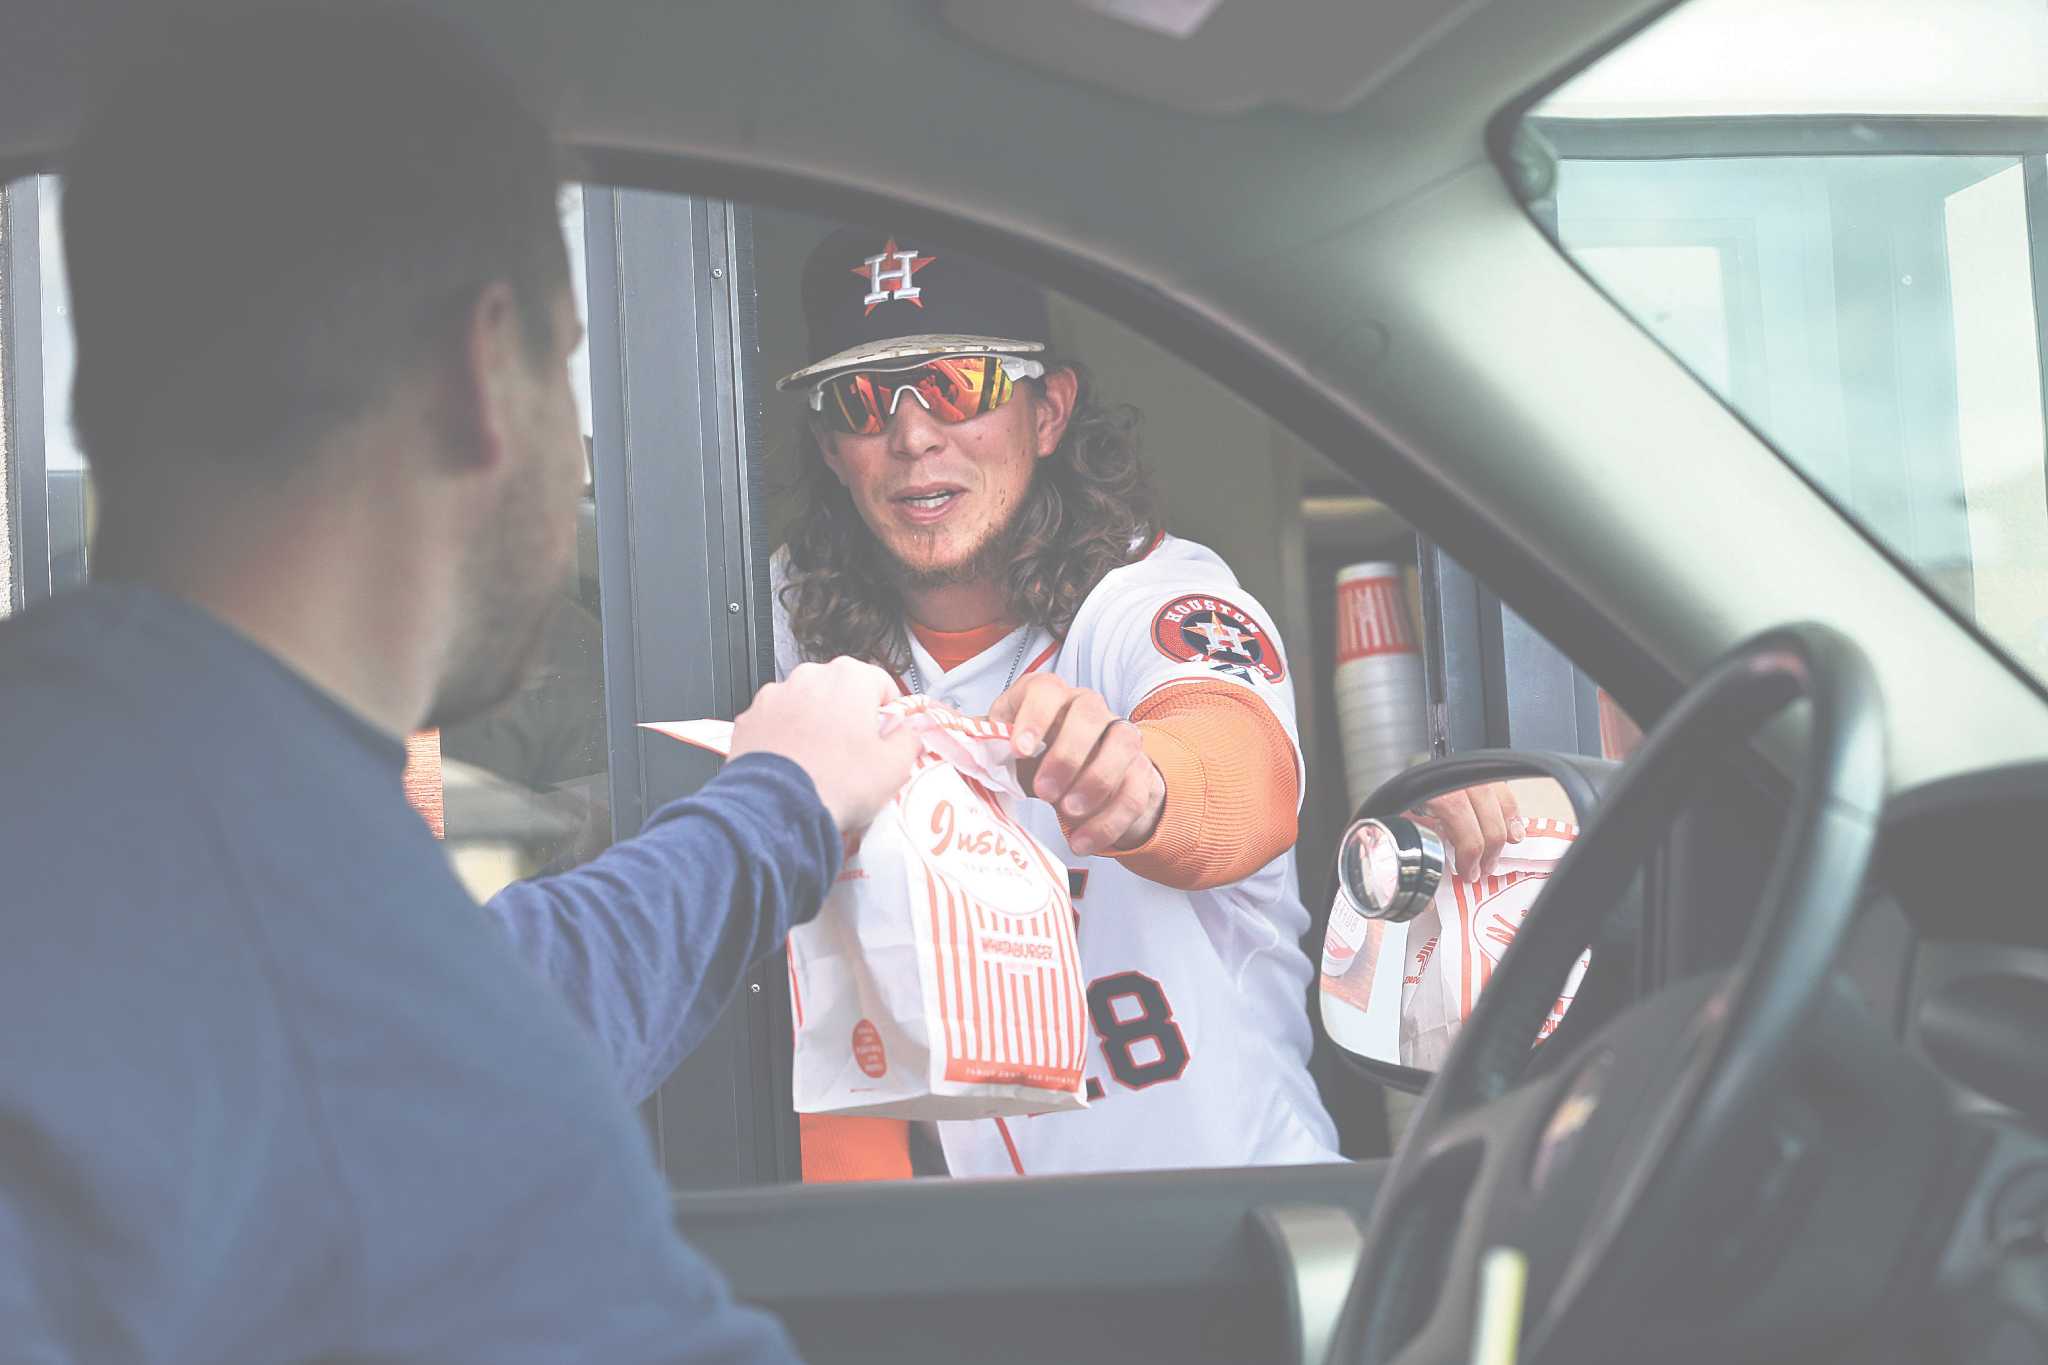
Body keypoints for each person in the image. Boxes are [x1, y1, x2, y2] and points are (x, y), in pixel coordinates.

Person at [0, 7, 919, 1360]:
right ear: (480, 374)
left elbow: (509, 989)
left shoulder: (137, 819)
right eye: (565, 361)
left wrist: (777, 810)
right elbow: (430, 1040)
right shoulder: (330, 990)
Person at [771, 228, 1353, 1179]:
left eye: (960, 385)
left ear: (1048, 412)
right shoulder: (794, 632)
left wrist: (1144, 785)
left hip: (1238, 1227)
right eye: (864, 399)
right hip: (1007, 1270)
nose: (914, 436)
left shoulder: (1145, 598)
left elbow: (1240, 777)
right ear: (835, 449)